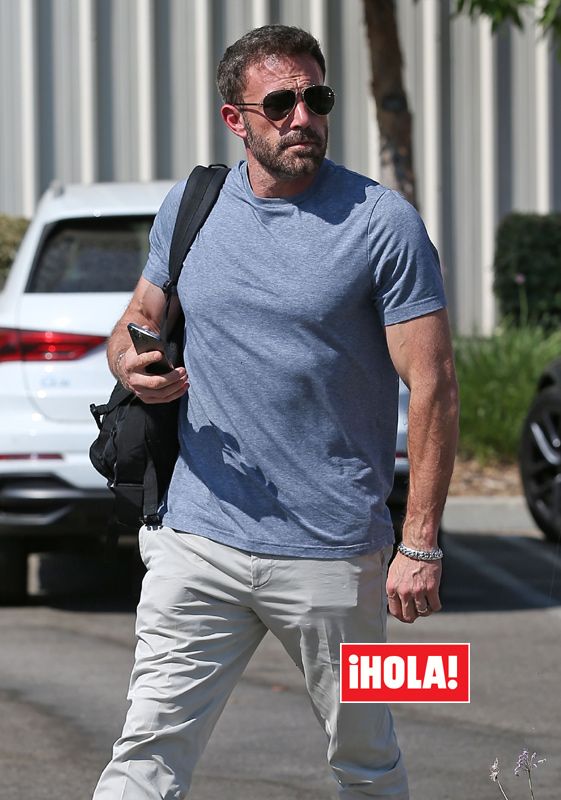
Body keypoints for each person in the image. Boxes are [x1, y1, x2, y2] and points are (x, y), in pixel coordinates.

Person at [92, 24, 459, 800]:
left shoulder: (381, 222)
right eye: (281, 103)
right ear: (236, 119)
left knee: (365, 761)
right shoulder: (192, 205)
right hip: (198, 541)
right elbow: (139, 315)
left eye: (316, 98)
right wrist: (130, 361)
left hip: (335, 555)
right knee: (144, 754)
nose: (303, 118)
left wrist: (419, 541)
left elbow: (433, 386)